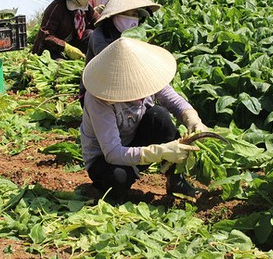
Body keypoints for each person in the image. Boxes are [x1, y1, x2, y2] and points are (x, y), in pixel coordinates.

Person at [80, 37, 210, 203]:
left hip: (135, 143)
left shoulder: (146, 77)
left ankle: (177, 181)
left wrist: (194, 120)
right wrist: (159, 152)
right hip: (106, 159)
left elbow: (175, 102)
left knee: (159, 116)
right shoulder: (98, 99)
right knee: (118, 178)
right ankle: (107, 192)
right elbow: (112, 152)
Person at [78, 0, 160, 103]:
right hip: (99, 94)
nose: (132, 18)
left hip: (129, 91)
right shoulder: (100, 35)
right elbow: (111, 67)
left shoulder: (137, 35)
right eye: (127, 14)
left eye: (135, 14)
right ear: (115, 16)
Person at [31, 0, 106, 60]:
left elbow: (99, 22)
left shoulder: (86, 8)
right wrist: (65, 47)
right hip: (52, 49)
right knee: (59, 62)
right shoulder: (57, 8)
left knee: (91, 34)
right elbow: (47, 35)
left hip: (75, 44)